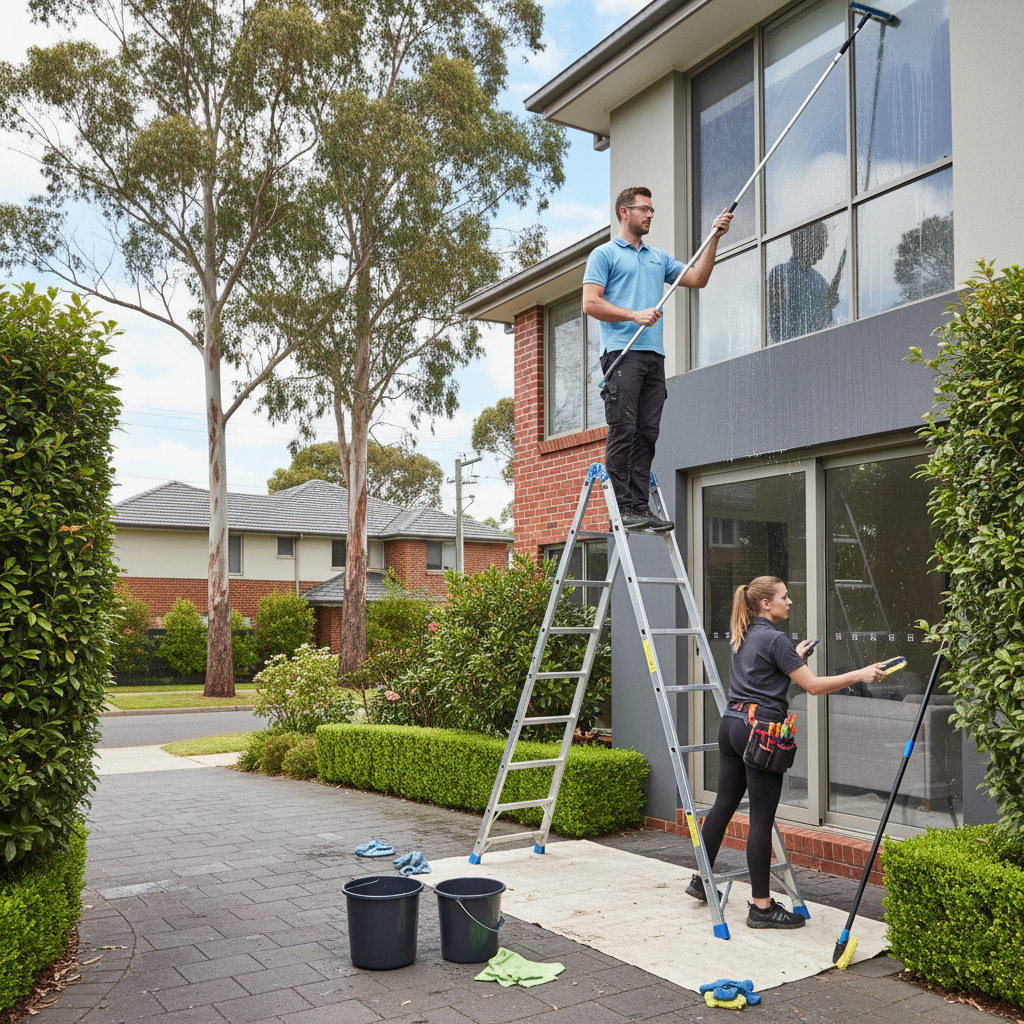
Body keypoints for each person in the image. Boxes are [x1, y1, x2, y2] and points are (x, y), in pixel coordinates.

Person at [687, 575, 886, 929]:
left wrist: (793, 656)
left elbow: (762, 674)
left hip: (732, 725)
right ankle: (761, 908)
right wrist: (861, 674)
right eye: (784, 596)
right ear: (766, 603)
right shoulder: (775, 639)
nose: (789, 601)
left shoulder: (743, 633)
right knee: (761, 819)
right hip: (760, 732)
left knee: (722, 807)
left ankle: (701, 881)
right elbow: (811, 686)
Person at [582, 187, 733, 532]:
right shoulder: (604, 255)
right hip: (623, 354)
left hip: (654, 357)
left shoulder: (658, 258)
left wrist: (714, 238)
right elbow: (591, 303)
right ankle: (623, 508)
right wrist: (633, 315)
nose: (650, 215)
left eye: (652, 210)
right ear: (624, 212)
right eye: (644, 209)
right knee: (625, 429)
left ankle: (639, 507)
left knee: (647, 432)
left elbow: (698, 278)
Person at [767, 221, 844, 344]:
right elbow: (775, 320)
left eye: (824, 243)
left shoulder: (820, 282)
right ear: (806, 242)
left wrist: (828, 306)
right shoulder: (781, 274)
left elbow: (824, 327)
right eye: (821, 241)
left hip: (814, 347)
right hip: (788, 348)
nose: (824, 247)